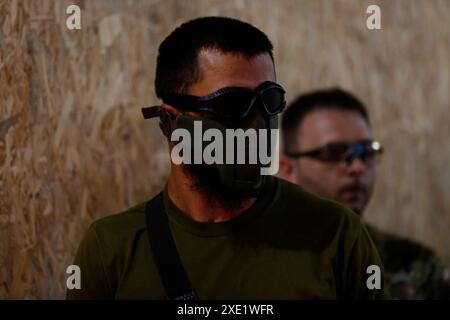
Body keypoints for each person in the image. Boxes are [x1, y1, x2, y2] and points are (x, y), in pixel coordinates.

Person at [67, 17, 386, 300]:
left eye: (268, 101)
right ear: (171, 121)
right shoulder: (112, 250)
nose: (256, 125)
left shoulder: (337, 235)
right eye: (233, 105)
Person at [280, 88, 450, 299]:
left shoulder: (414, 267)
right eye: (334, 153)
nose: (357, 167)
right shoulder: (259, 263)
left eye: (367, 152)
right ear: (288, 169)